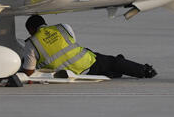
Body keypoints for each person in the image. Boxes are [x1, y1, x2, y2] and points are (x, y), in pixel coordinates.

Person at [21, 15, 157, 79]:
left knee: (110, 69)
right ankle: (145, 71)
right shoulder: (62, 27)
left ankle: (115, 69)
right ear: (45, 23)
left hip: (68, 74)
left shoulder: (31, 44)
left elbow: (29, 72)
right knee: (113, 62)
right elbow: (73, 42)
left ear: (30, 30)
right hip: (88, 63)